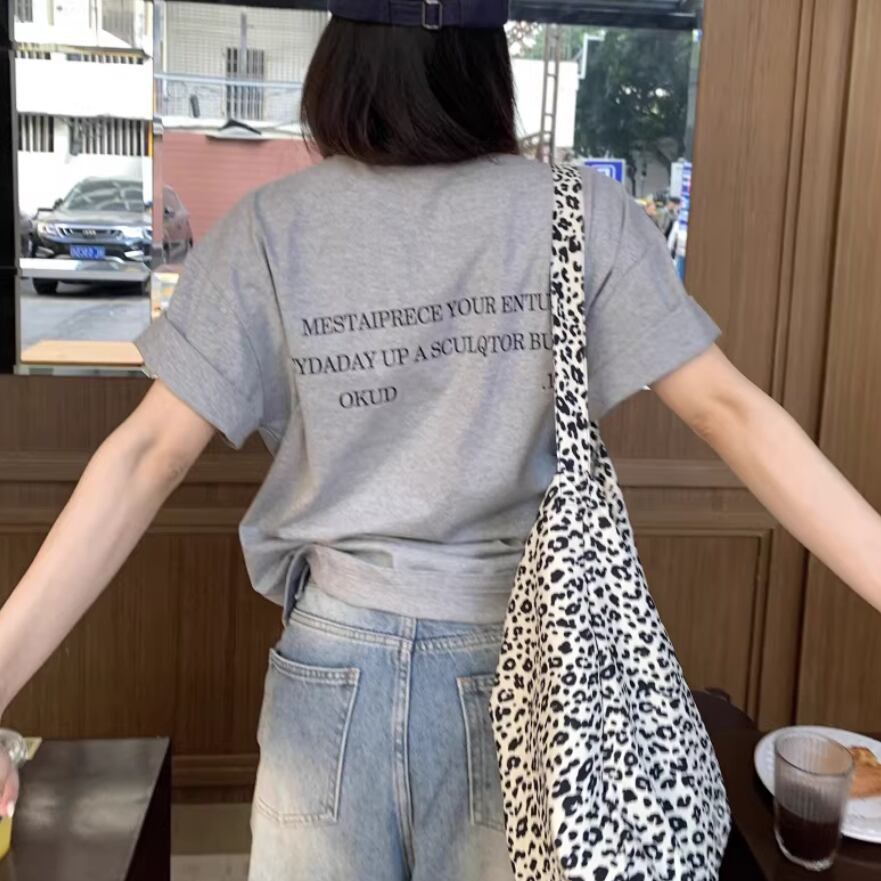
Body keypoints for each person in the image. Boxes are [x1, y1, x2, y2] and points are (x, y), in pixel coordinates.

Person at [2, 2, 881, 879]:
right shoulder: (581, 214)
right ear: (484, 65)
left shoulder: (269, 228)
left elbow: (144, 457)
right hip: (528, 675)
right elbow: (730, 412)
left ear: (340, 63)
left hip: (331, 668)